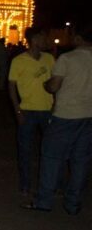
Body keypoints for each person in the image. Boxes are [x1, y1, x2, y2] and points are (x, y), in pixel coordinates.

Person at [30, 24, 92, 214]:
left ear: (78, 39)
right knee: (80, 161)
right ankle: (72, 202)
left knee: (51, 157)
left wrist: (47, 83)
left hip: (66, 114)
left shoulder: (67, 58)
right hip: (88, 114)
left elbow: (54, 86)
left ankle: (44, 201)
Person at [8, 27, 54, 196]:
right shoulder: (19, 61)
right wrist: (17, 111)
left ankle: (48, 185)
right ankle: (25, 184)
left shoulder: (49, 59)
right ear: (34, 40)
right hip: (27, 111)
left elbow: (55, 81)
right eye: (43, 38)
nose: (46, 41)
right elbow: (11, 86)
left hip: (47, 110)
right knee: (25, 150)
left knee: (50, 151)